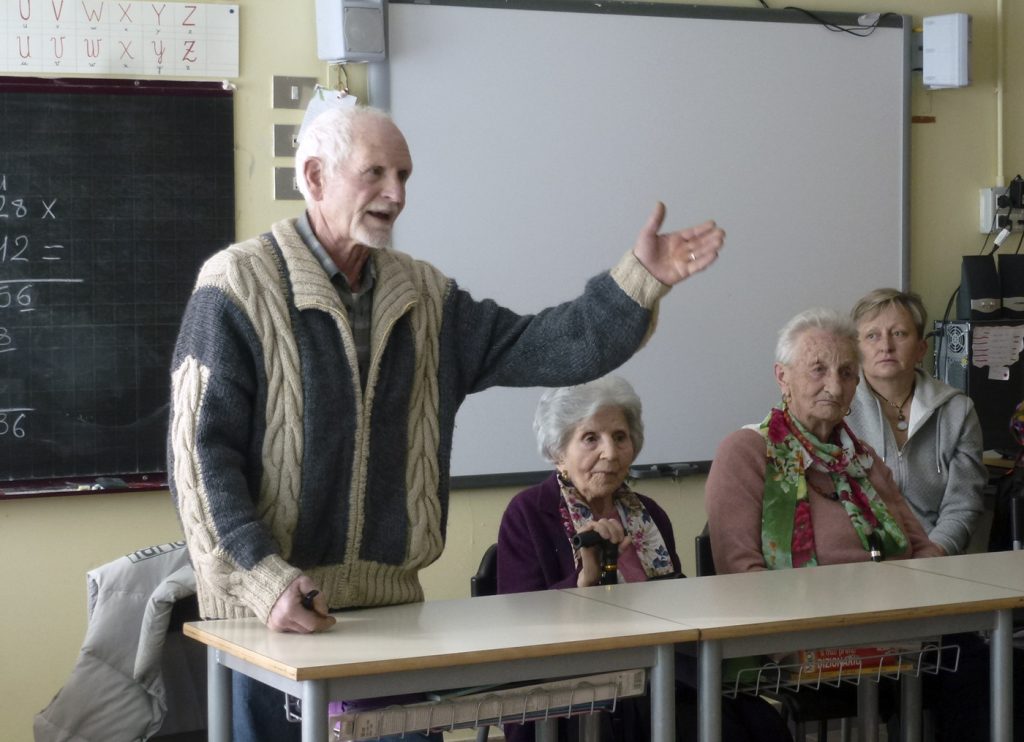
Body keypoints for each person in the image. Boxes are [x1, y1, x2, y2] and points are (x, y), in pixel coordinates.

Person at [167, 104, 724, 741]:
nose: (396, 194)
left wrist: (639, 280)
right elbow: (201, 458)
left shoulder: (427, 297)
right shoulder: (236, 284)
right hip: (265, 625)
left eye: (404, 175)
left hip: (391, 623)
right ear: (315, 177)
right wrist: (266, 583)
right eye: (374, 172)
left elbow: (553, 345)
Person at [498, 376, 791, 742]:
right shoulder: (528, 514)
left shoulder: (647, 514)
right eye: (591, 438)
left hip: (663, 675)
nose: (610, 452)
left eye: (620, 437)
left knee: (761, 723)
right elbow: (515, 626)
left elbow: (676, 605)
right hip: (571, 691)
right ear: (559, 450)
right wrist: (580, 584)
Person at [706, 307, 942, 573]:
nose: (835, 387)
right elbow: (740, 575)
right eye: (818, 369)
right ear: (782, 377)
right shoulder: (747, 453)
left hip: (894, 605)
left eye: (846, 373)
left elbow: (922, 547)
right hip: (803, 611)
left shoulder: (862, 458)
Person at [847, 288, 986, 556]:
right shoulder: (838, 410)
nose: (885, 346)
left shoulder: (957, 411)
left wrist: (934, 552)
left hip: (936, 559)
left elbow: (963, 503)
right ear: (856, 349)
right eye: (872, 336)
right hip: (859, 559)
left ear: (921, 348)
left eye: (899, 334)